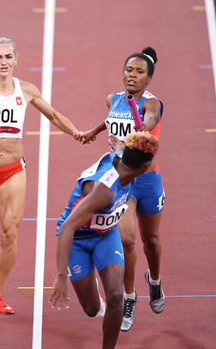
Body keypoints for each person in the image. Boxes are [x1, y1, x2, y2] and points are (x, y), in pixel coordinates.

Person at [0, 37, 81, 314]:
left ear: (16, 60)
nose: (3, 62)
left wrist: (77, 132)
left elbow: (53, 115)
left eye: (8, 57)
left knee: (9, 235)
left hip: (13, 172)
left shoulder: (26, 90)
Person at [80, 47, 165, 331]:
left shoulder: (152, 105)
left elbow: (149, 121)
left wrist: (138, 134)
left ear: (148, 78)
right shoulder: (113, 99)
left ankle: (154, 280)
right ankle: (129, 297)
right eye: (129, 70)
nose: (133, 75)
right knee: (127, 241)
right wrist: (94, 132)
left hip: (147, 180)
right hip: (123, 181)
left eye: (140, 72)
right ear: (123, 72)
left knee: (150, 240)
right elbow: (112, 121)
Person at [49, 131, 159, 349]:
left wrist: (122, 144)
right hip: (78, 239)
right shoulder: (104, 191)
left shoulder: (123, 158)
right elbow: (67, 228)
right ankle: (89, 283)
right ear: (145, 166)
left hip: (106, 235)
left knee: (116, 296)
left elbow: (121, 149)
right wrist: (61, 276)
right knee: (91, 309)